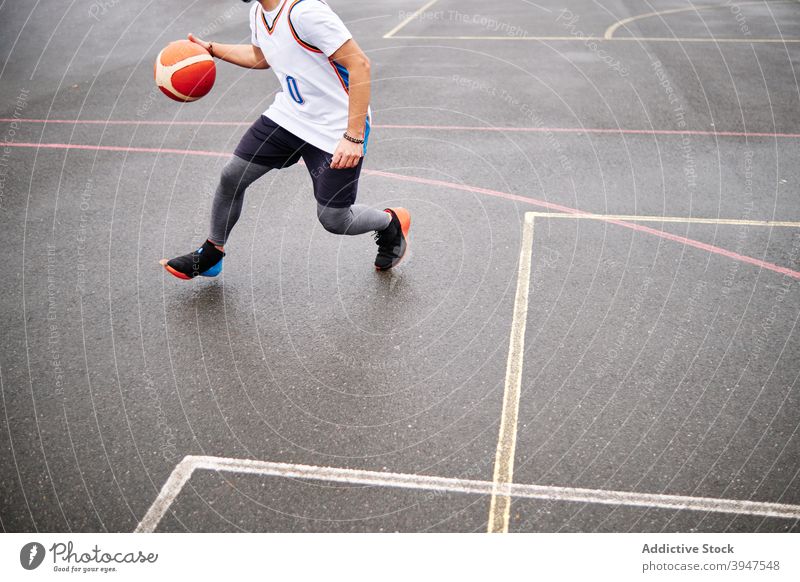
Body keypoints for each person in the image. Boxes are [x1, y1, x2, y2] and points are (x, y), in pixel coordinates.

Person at [161, 0, 410, 280]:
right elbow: (261, 56)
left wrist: (353, 136)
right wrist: (212, 49)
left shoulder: (305, 12)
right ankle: (212, 253)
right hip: (291, 116)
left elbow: (360, 64)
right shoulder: (258, 11)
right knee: (232, 176)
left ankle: (390, 223)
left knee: (334, 219)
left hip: (335, 126)